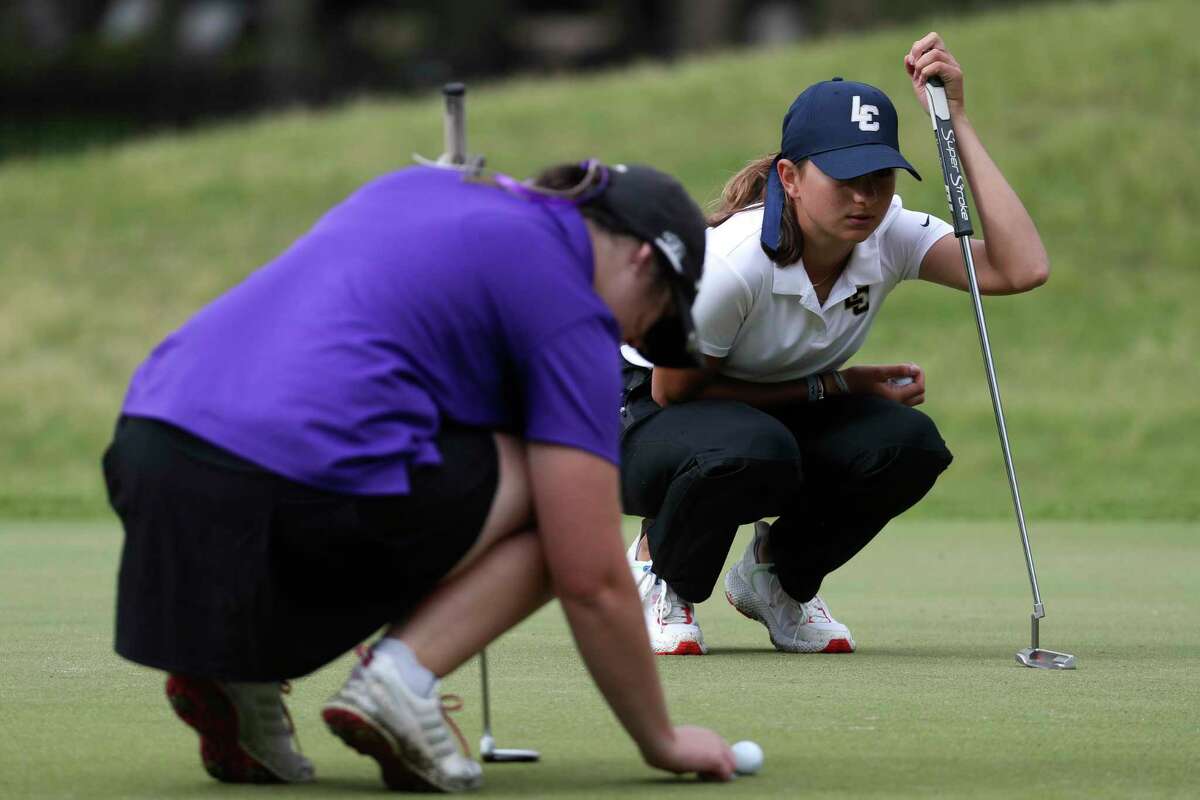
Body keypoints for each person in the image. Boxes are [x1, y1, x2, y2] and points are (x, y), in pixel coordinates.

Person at [101, 159, 738, 791]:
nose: (632, 337)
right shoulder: (575, 309)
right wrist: (663, 740)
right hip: (291, 485)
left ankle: (236, 679)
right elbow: (592, 576)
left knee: (403, 445)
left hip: (150, 451)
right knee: (561, 499)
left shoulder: (419, 186)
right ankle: (398, 684)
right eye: (654, 316)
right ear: (645, 262)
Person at [619, 33, 1050, 656]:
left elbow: (1020, 268)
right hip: (644, 416)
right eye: (845, 176)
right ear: (790, 178)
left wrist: (955, 121)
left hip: (761, 413)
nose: (865, 197)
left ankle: (776, 580)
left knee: (907, 445)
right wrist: (836, 385)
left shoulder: (890, 233)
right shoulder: (736, 262)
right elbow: (678, 391)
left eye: (879, 177)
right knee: (750, 449)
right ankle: (661, 571)